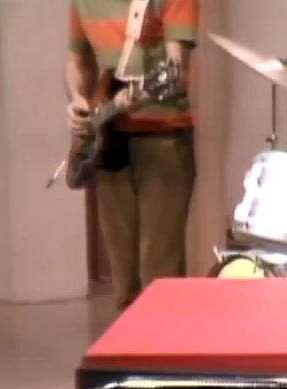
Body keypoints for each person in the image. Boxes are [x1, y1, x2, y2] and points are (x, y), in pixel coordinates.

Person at [66, 0, 199, 311]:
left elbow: (175, 69)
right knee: (124, 283)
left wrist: (138, 94)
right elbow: (77, 60)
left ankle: (164, 342)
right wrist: (76, 98)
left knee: (160, 276)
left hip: (163, 136)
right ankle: (131, 341)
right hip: (108, 137)